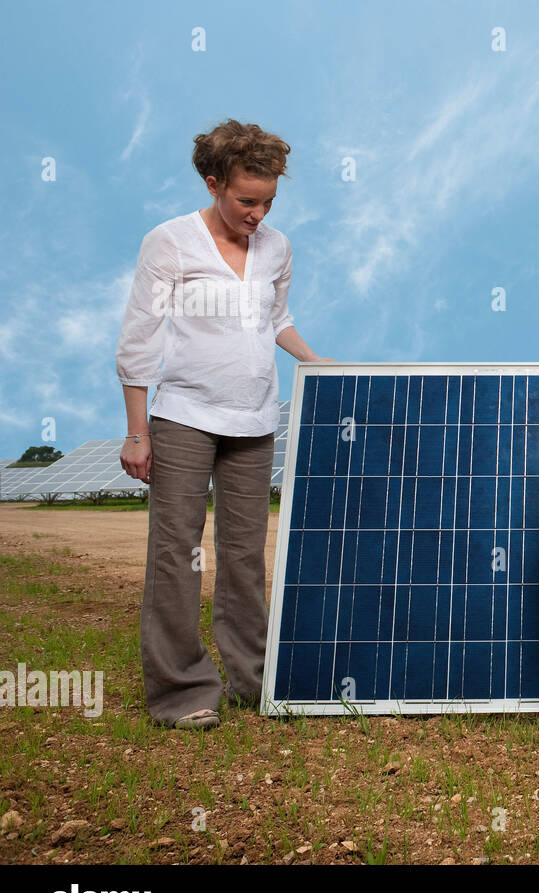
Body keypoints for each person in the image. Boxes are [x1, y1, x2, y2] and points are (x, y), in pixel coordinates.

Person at [116, 119, 331, 730]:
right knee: (178, 552)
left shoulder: (277, 247)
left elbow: (276, 318)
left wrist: (318, 364)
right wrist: (138, 432)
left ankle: (254, 680)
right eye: (246, 201)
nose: (257, 214)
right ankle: (182, 691)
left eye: (267, 202)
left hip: (255, 418)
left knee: (243, 555)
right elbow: (137, 342)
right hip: (183, 416)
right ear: (214, 184)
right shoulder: (169, 243)